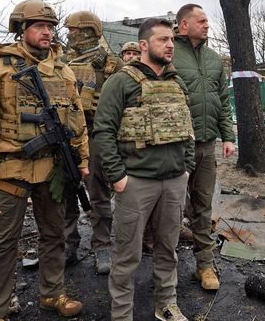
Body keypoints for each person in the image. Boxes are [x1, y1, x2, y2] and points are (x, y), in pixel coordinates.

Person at [0, 0, 88, 319]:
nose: (47, 32)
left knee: (55, 235)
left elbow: (77, 119)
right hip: (10, 168)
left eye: (50, 27)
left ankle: (52, 293)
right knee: (3, 244)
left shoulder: (63, 69)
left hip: (53, 169)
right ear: (22, 30)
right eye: (39, 26)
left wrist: (82, 160)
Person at [93, 18, 195, 321]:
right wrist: (119, 178)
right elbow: (103, 131)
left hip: (175, 182)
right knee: (127, 255)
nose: (169, 45)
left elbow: (188, 129)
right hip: (136, 183)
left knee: (168, 249)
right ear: (143, 45)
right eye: (163, 39)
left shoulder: (177, 82)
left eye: (172, 40)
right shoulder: (121, 81)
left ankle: (167, 304)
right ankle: (122, 314)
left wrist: (186, 168)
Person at [171, 3, 236, 291]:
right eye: (201, 20)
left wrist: (229, 137)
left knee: (203, 206)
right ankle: (166, 269)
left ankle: (205, 266)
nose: (207, 25)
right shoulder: (170, 55)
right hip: (174, 147)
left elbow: (223, 101)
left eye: (207, 21)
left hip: (206, 144)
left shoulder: (213, 59)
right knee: (170, 208)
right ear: (184, 25)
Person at [61, 10, 120, 274]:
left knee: (98, 192)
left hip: (95, 135)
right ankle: (68, 243)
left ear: (86, 31)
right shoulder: (61, 62)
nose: (68, 35)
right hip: (64, 136)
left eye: (72, 30)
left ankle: (102, 245)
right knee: (64, 193)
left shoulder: (110, 64)